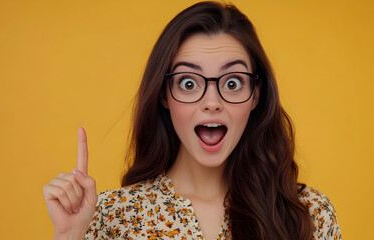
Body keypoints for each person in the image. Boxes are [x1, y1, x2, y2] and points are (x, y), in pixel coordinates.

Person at [43, 1, 342, 239]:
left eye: (233, 82)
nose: (212, 103)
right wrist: (68, 236)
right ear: (164, 94)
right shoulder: (109, 216)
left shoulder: (310, 214)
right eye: (188, 83)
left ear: (255, 94)